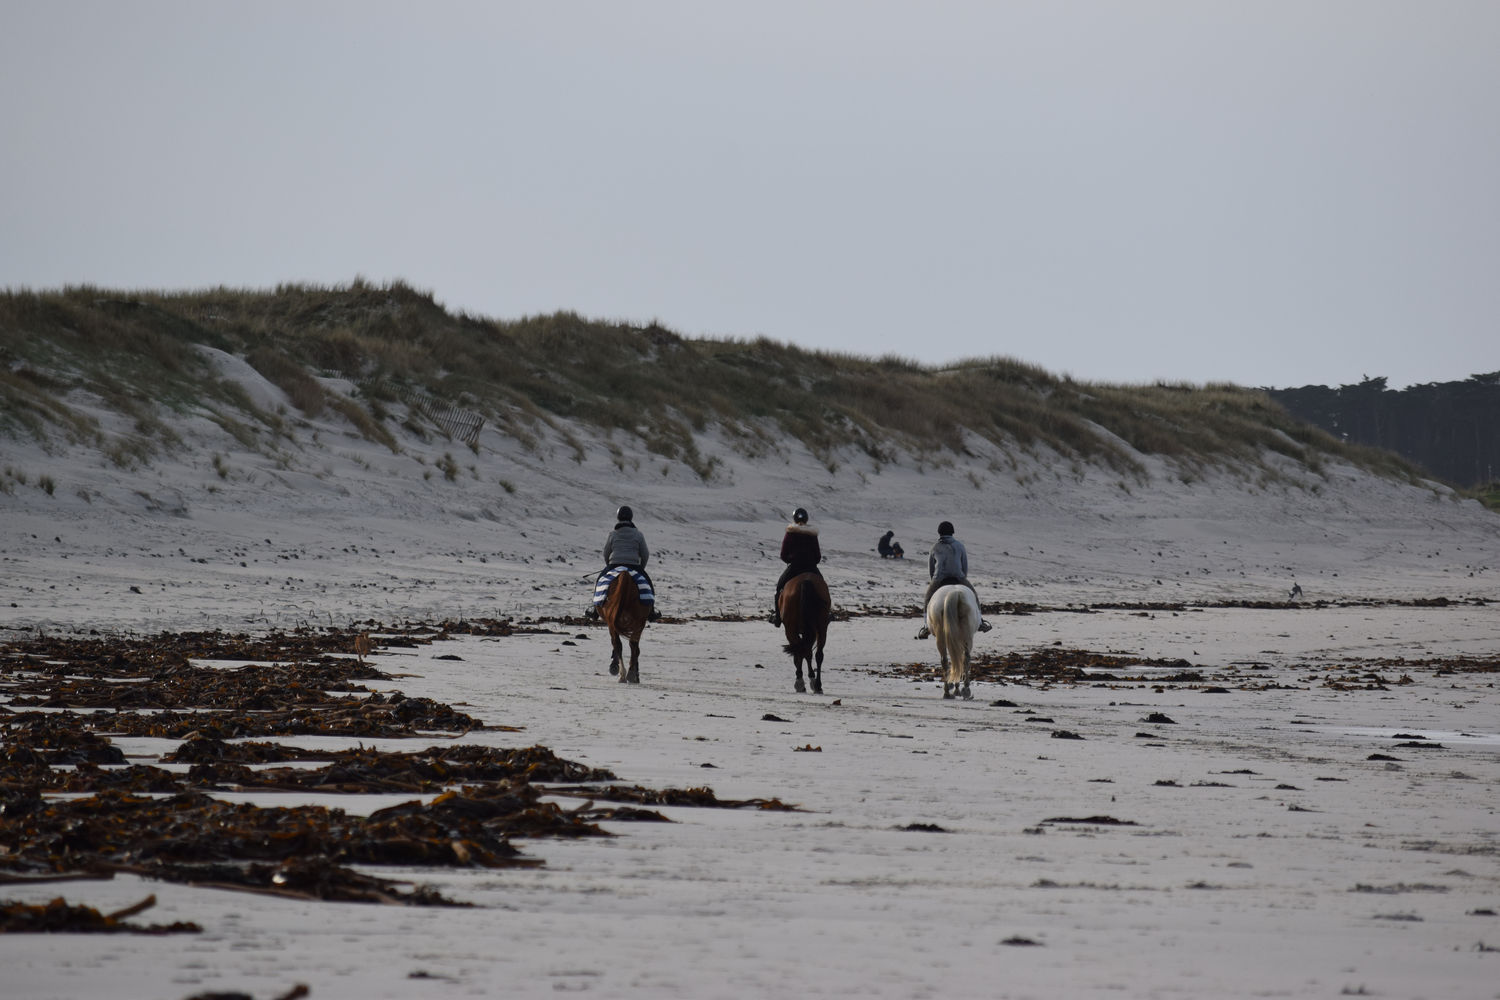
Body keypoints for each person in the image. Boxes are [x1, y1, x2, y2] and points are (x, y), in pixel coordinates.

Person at [915, 520, 991, 639]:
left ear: (939, 533)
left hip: (939, 578)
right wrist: (962, 578)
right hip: (958, 577)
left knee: (927, 599)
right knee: (974, 596)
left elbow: (931, 569)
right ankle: (981, 622)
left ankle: (926, 626)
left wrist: (934, 581)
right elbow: (964, 566)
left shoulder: (934, 547)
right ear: (952, 532)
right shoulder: (960, 546)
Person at [590, 505, 660, 621]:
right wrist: (640, 568)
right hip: (634, 566)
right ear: (631, 518)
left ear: (618, 518)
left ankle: (594, 610)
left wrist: (609, 567)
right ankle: (651, 610)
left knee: (599, 581)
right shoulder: (638, 534)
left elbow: (606, 553)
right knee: (648, 583)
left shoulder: (613, 534)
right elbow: (645, 554)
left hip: (614, 565)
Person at [769, 506, 822, 626]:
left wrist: (790, 560)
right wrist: (811, 562)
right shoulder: (812, 535)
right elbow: (818, 556)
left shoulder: (790, 533)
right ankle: (827, 613)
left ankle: (777, 617)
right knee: (823, 587)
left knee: (779, 588)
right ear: (807, 520)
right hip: (811, 568)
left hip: (794, 567)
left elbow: (783, 554)